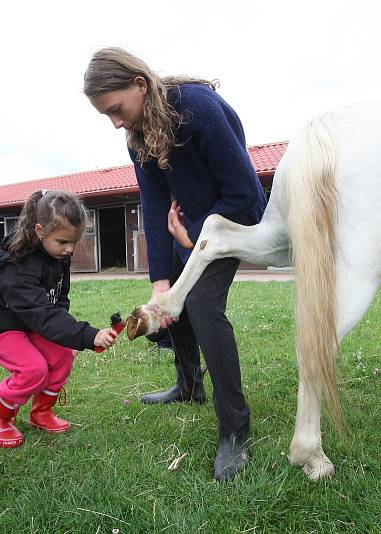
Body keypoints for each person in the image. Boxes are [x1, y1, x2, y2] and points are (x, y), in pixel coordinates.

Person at [85, 48, 266, 480]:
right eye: (105, 115)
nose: (115, 122)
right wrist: (159, 281)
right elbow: (152, 203)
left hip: (229, 221)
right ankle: (188, 387)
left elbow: (246, 193)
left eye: (117, 109)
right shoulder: (137, 135)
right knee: (173, 306)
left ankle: (235, 430)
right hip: (187, 229)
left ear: (140, 85)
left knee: (201, 305)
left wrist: (196, 232)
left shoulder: (197, 108)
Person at [0, 190, 120, 448]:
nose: (70, 249)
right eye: (63, 241)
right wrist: (87, 334)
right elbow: (42, 314)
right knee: (33, 369)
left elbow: (57, 302)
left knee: (63, 355)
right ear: (39, 230)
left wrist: (75, 338)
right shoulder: (18, 266)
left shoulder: (57, 256)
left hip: (29, 318)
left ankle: (41, 412)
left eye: (74, 241)